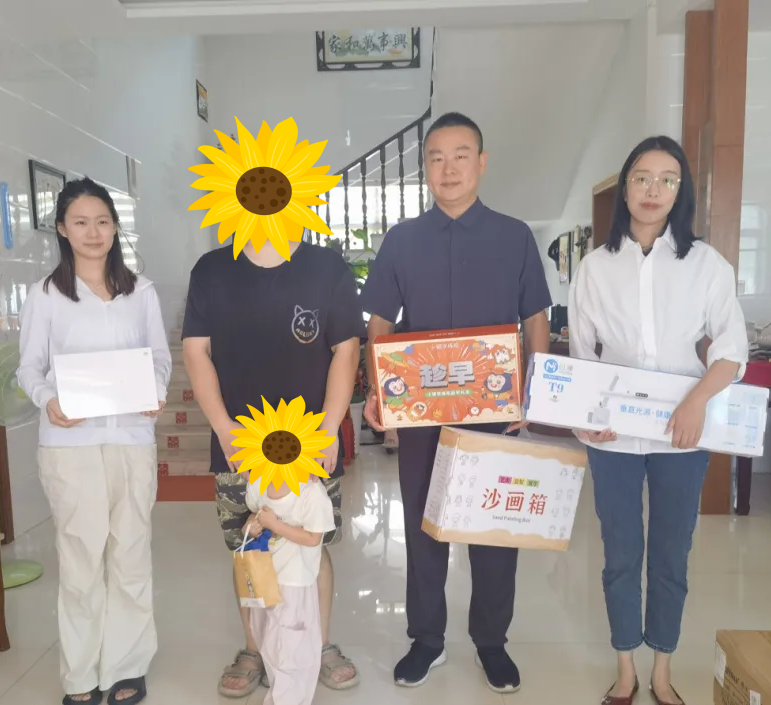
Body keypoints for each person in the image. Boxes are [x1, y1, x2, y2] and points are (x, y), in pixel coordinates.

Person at [359, 111, 552, 694]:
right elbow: (379, 322)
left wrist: (536, 387)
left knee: (493, 526)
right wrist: (380, 392)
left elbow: (535, 317)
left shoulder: (514, 236)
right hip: (423, 413)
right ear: (425, 168)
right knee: (424, 527)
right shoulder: (401, 240)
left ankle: (491, 642)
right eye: (436, 158)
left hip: (494, 411)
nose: (448, 169)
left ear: (481, 163)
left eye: (460, 156)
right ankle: (427, 639)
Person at [567, 136, 748, 705]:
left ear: (680, 190)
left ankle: (662, 672)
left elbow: (732, 351)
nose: (653, 190)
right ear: (625, 187)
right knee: (620, 555)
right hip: (613, 438)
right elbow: (582, 358)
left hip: (682, 435)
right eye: (642, 178)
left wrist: (696, 401)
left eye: (667, 179)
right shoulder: (595, 267)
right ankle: (626, 670)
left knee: (671, 555)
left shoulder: (706, 264)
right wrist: (585, 422)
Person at [181, 237, 365, 699]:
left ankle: (317, 643)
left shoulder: (327, 267)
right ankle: (255, 649)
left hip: (309, 444)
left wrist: (328, 428)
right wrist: (223, 428)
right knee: (249, 547)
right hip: (239, 445)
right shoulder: (212, 269)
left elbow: (347, 350)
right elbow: (196, 351)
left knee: (312, 542)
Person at [18, 177, 171, 705]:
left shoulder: (140, 292)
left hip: (131, 438)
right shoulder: (45, 295)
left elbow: (159, 358)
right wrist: (47, 399)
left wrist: (156, 391)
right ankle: (80, 675)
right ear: (62, 229)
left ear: (115, 227)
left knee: (130, 554)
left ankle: (127, 665)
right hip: (70, 445)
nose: (93, 232)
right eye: (80, 222)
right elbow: (28, 367)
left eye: (103, 221)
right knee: (81, 560)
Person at [243, 475, 336, 705]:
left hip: (294, 582)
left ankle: (288, 699)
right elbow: (254, 513)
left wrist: (276, 525)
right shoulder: (259, 481)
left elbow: (313, 538)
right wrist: (252, 524)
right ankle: (280, 690)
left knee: (290, 646)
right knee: (267, 637)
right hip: (266, 577)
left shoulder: (311, 491)